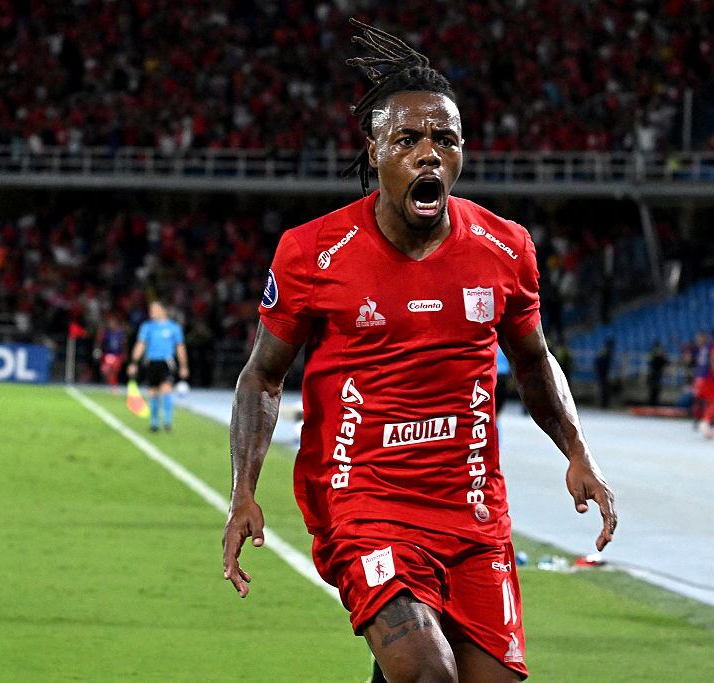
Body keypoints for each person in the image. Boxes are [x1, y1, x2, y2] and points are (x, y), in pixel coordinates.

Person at [221, 20, 617, 683]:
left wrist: (577, 450)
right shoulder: (313, 252)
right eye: (408, 139)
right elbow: (263, 375)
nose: (429, 154)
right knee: (429, 674)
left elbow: (534, 361)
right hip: (363, 500)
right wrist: (243, 493)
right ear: (374, 151)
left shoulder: (506, 248)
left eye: (445, 139)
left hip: (471, 507)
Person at [127, 300, 188, 433]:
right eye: (151, 309)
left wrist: (183, 366)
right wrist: (133, 363)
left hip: (166, 362)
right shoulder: (147, 327)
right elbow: (140, 345)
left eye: (155, 309)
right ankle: (154, 422)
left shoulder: (173, 327)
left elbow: (180, 347)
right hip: (151, 362)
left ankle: (167, 422)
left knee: (166, 389)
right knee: (153, 391)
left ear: (163, 310)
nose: (152, 312)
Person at [94, 313, 128, 388]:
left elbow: (123, 344)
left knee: (115, 371)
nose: (110, 324)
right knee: (105, 370)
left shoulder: (120, 332)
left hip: (117, 354)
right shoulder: (106, 332)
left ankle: (113, 384)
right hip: (108, 354)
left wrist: (124, 353)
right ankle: (109, 383)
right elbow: (99, 341)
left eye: (112, 322)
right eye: (109, 322)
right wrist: (97, 350)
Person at [594, 337, 615, 409]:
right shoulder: (605, 352)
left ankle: (604, 403)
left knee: (604, 389)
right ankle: (603, 404)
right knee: (603, 389)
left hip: (604, 373)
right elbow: (598, 362)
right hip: (603, 373)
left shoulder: (606, 352)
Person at [646, 340, 667, 406]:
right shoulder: (652, 353)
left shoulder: (661, 354)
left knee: (657, 389)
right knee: (652, 389)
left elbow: (665, 362)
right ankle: (651, 403)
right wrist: (657, 356)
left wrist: (662, 356)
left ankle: (655, 403)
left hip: (658, 374)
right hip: (653, 373)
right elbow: (649, 362)